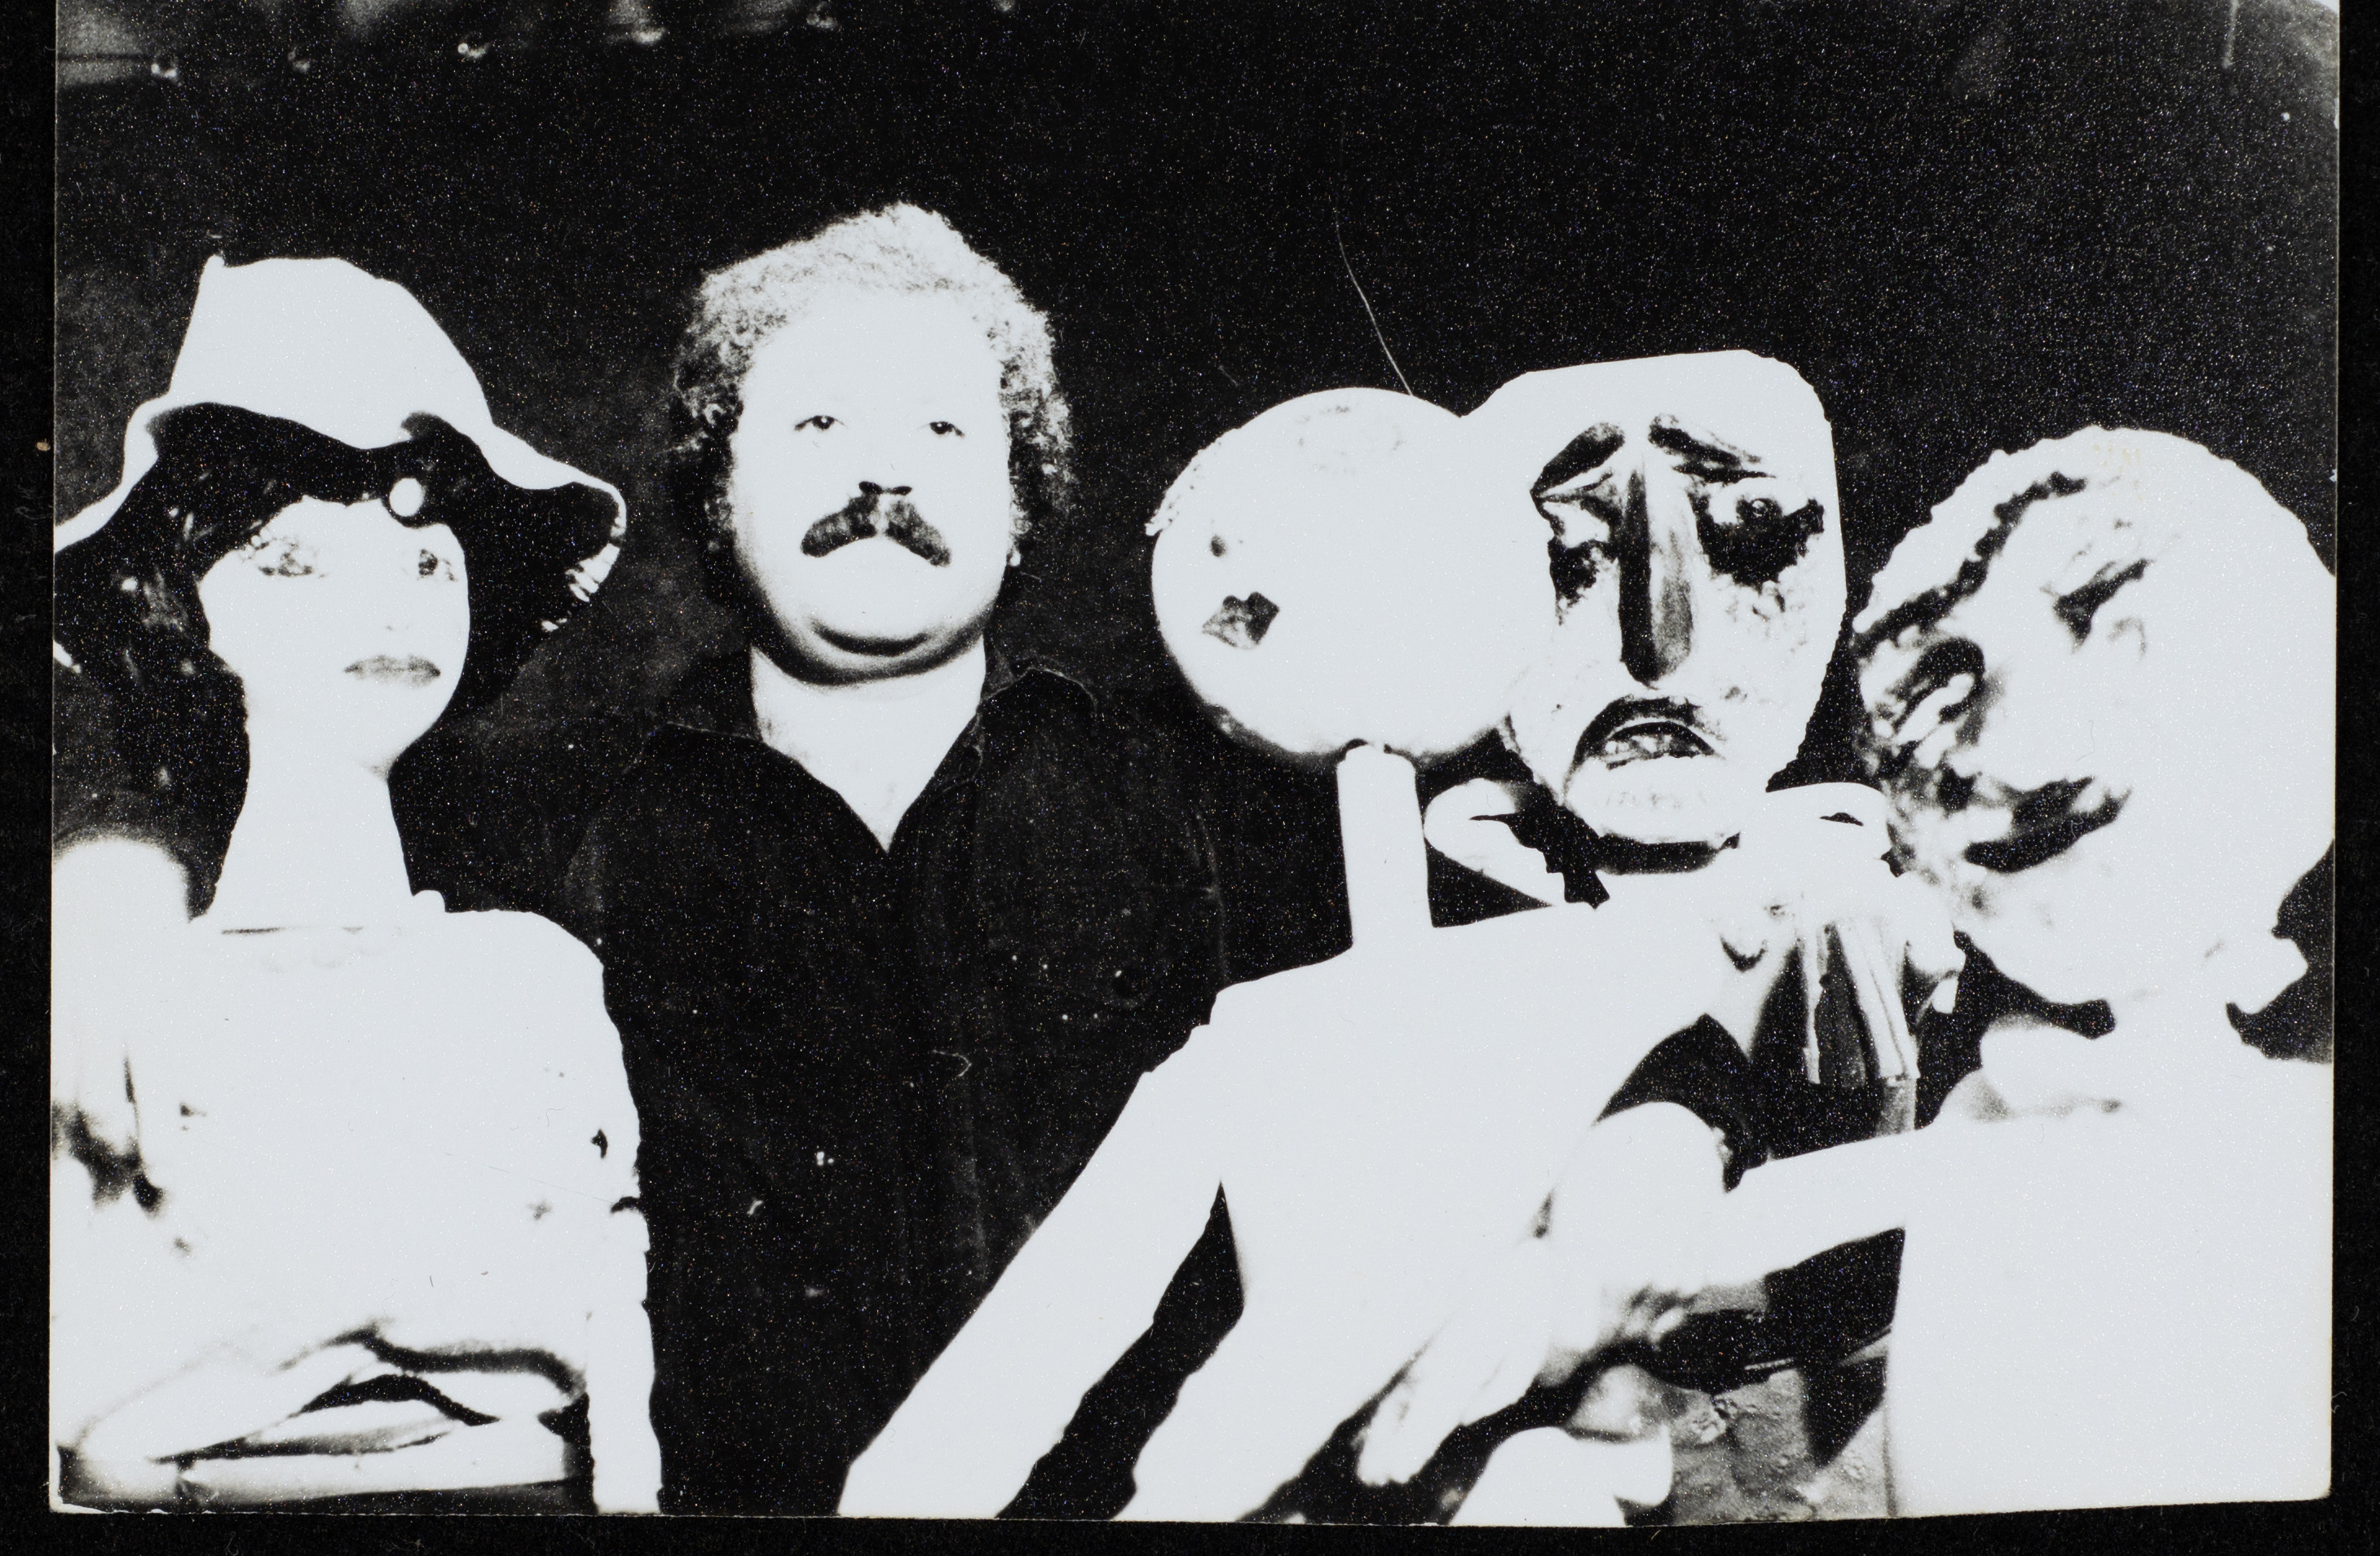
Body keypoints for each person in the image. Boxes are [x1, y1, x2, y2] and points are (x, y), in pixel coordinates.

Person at [840, 355, 1955, 1523]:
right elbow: (1029, 1358)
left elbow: (1769, 1039)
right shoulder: (1286, 1022)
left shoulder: (1857, 907)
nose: (1656, 634)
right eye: (1567, 559)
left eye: (1750, 540)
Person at [505, 204, 1224, 1514]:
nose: (882, 477)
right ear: (720, 499)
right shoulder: (558, 820)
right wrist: (121, 863)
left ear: (1022, 507)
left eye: (944, 431)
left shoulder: (1195, 799)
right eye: (818, 426)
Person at [49, 255, 658, 1510]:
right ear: (176, 602)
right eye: (292, 562)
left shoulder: (535, 977)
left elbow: (627, 1323)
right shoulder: (125, 989)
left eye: (428, 564)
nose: (385, 606)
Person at [1703, 426, 2332, 1514]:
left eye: (2116, 647)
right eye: (1944, 697)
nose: (2001, 755)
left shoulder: (2284, 1140)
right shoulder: (1996, 1106)